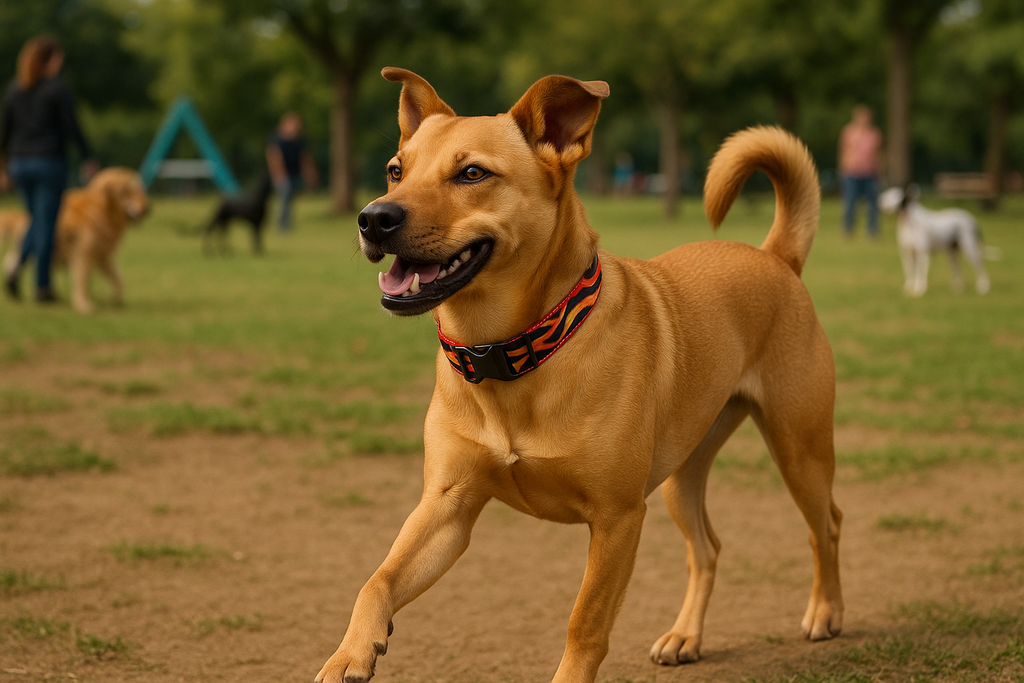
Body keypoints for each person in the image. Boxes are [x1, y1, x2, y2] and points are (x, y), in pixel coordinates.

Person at [0, 35, 97, 302]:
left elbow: (5, 132)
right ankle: (42, 285)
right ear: (50, 59)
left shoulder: (14, 89)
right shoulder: (58, 88)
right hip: (48, 162)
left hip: (20, 163)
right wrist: (88, 157)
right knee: (46, 224)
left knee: (36, 220)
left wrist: (3, 167)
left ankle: (16, 265)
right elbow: (72, 126)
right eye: (58, 58)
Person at [265, 112, 319, 232]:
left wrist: (309, 175)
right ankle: (282, 225)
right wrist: (279, 175)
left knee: (289, 199)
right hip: (282, 175)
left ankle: (286, 224)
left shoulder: (298, 141)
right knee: (285, 197)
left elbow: (304, 158)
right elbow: (274, 158)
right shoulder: (277, 139)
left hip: (293, 174)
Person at [838, 104, 883, 239]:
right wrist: (843, 169)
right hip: (852, 172)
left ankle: (872, 230)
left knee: (872, 203)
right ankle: (847, 229)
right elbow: (843, 151)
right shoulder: (848, 132)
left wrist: (880, 170)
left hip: (870, 172)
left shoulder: (874, 134)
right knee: (850, 202)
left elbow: (878, 154)